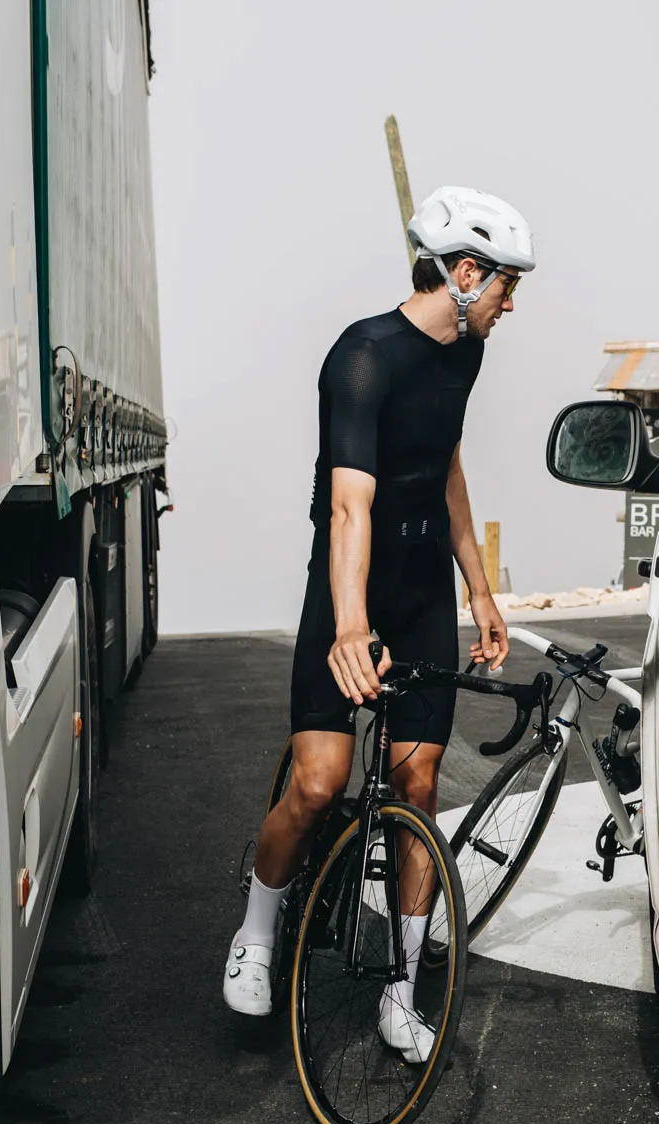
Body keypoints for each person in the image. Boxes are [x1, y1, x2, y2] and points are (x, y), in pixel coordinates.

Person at [220, 186, 534, 1062]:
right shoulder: (361, 358)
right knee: (320, 783)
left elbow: (446, 470)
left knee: (419, 787)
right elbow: (348, 507)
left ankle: (401, 989)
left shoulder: (464, 358)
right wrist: (350, 629)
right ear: (465, 274)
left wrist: (479, 588)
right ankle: (255, 930)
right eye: (508, 284)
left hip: (425, 586)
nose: (513, 303)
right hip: (352, 589)